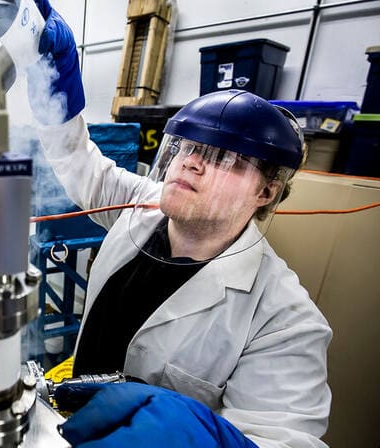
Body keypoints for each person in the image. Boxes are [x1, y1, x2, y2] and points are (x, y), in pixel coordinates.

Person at [27, 1, 332, 447]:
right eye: (187, 146)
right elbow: (79, 165)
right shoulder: (143, 206)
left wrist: (212, 440)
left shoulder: (285, 319)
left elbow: (287, 440)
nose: (191, 163)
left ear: (266, 192)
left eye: (223, 157)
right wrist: (56, 83)